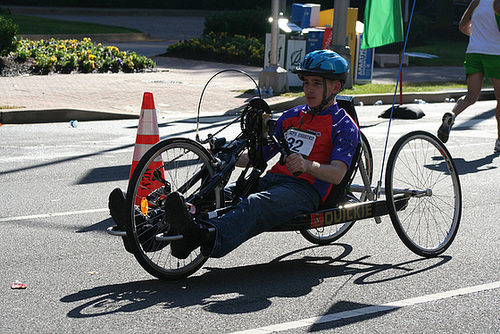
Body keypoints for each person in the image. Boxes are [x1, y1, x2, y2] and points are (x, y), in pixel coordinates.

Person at [109, 50, 360, 259]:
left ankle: (201, 237)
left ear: (335, 86)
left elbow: (338, 174)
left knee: (255, 204)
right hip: (272, 180)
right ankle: (145, 232)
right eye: (306, 82)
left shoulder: (344, 125)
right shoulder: (291, 117)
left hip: (305, 191)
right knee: (217, 195)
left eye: (317, 83)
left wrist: (308, 165)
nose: (309, 89)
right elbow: (258, 157)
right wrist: (219, 154)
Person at [437, 0, 500, 153]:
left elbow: (463, 26)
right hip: (495, 54)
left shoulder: (477, 1)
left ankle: (452, 114)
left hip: (474, 52)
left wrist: (478, 36)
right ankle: (499, 141)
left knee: (470, 96)